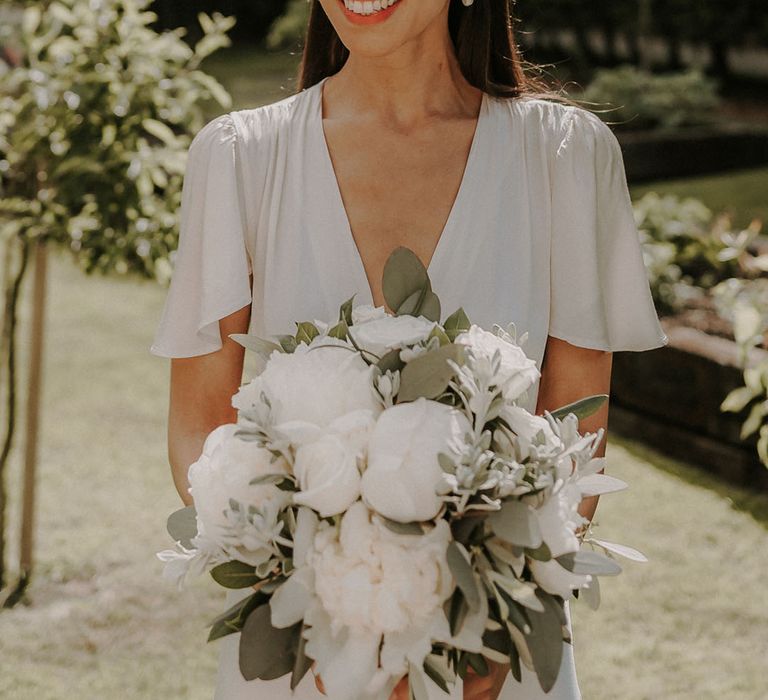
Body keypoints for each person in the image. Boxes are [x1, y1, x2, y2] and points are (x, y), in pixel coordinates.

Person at [149, 0, 668, 698]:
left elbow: (579, 430)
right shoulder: (240, 157)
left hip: (493, 653)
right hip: (302, 652)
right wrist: (314, 603)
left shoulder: (565, 157)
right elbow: (198, 428)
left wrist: (489, 625)